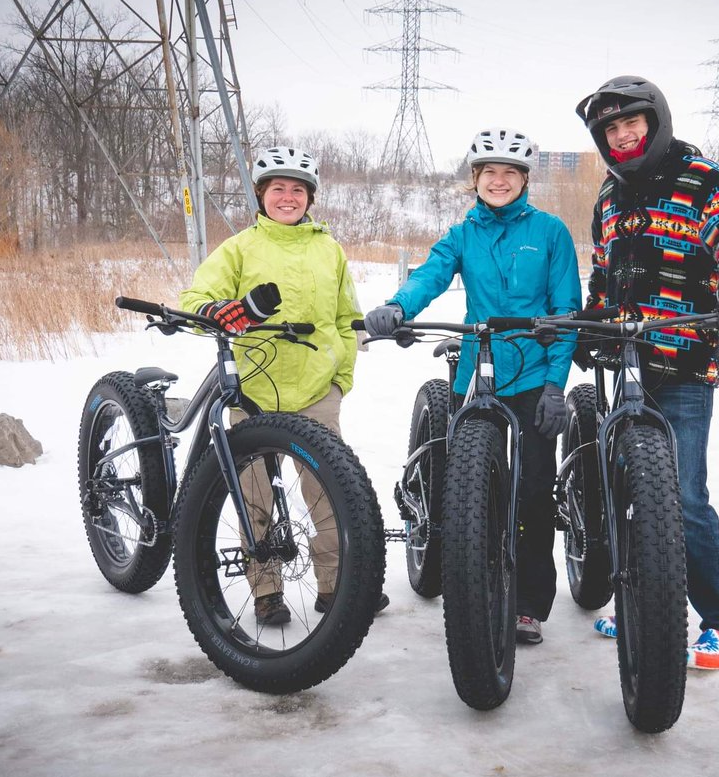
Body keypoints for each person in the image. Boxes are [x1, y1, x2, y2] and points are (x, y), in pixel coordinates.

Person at [574, 76, 719, 670]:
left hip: (683, 364)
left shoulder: (702, 179)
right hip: (625, 365)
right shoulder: (609, 198)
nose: (623, 136)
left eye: (631, 124)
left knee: (684, 497)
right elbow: (603, 274)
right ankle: (644, 601)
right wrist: (590, 322)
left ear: (655, 122)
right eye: (612, 129)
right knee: (633, 493)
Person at [362, 128, 582, 645]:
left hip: (532, 375)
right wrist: (399, 306)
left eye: (509, 173)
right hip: (476, 375)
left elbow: (565, 311)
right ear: (476, 181)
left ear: (524, 180)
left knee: (531, 492)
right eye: (489, 173)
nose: (499, 181)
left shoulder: (550, 232)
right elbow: (431, 274)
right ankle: (469, 580)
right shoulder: (463, 234)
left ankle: (529, 603)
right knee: (466, 490)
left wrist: (555, 385)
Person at [179, 145, 387, 625]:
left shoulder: (328, 249)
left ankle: (335, 585)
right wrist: (213, 311)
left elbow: (347, 316)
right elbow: (196, 299)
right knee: (255, 496)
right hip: (254, 390)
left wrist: (340, 377)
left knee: (331, 494)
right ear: (261, 195)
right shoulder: (239, 248)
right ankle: (267, 590)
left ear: (310, 198)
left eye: (297, 189)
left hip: (316, 392)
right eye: (278, 189)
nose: (288, 197)